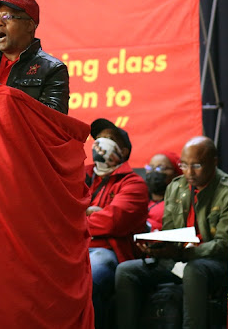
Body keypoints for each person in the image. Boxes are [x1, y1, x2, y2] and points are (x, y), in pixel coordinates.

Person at [114, 136, 228, 329]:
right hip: (178, 258)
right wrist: (158, 246)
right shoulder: (176, 187)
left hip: (212, 262)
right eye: (184, 165)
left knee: (195, 270)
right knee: (126, 271)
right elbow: (169, 232)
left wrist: (185, 254)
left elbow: (223, 244)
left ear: (214, 162)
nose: (189, 172)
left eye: (197, 165)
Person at [85, 118, 148, 329]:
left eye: (110, 139)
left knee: (90, 280)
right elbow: (56, 212)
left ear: (124, 151)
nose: (102, 143)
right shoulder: (79, 175)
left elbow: (112, 221)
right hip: (72, 249)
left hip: (108, 253)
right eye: (99, 138)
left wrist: (77, 218)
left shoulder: (133, 184)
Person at [144, 151, 181, 231]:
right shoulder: (140, 197)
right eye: (150, 168)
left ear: (175, 173)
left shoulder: (179, 202)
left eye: (160, 168)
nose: (154, 172)